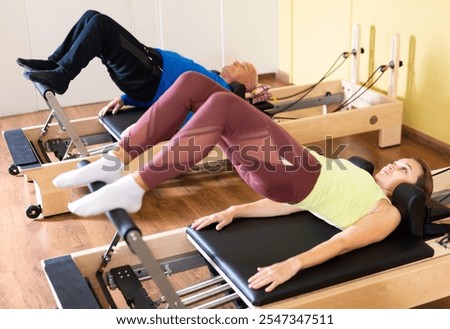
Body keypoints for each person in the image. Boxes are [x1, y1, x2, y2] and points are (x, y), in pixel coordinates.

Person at [52, 71, 433, 293]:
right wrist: (238, 209)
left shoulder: (387, 212)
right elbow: (298, 203)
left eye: (403, 171)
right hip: (281, 171)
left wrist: (293, 264)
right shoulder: (360, 174)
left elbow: (343, 242)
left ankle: (136, 185)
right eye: (397, 161)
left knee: (224, 105)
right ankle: (116, 159)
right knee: (193, 85)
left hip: (295, 170)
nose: (392, 166)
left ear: (410, 189)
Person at [16, 10, 258, 118]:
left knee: (100, 24)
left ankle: (62, 75)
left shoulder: (224, 94)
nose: (236, 62)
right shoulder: (213, 79)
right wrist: (125, 99)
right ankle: (53, 64)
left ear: (243, 86)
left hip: (150, 75)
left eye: (242, 66)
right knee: (91, 16)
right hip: (146, 71)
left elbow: (190, 113)